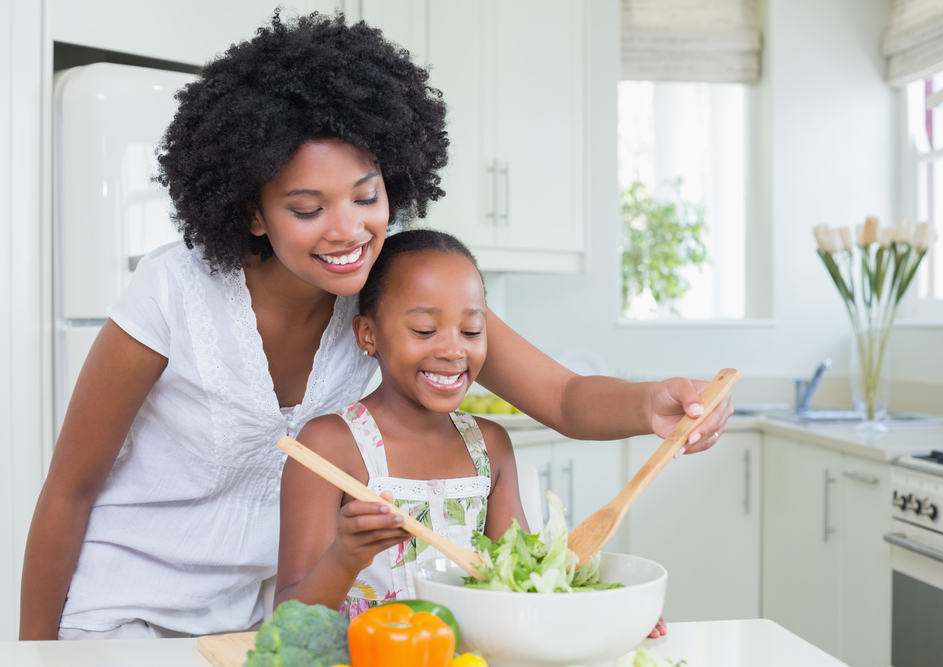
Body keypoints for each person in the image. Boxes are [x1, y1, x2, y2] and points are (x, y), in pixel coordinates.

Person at [19, 11, 730, 641]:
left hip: (270, 623)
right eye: (308, 209)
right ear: (253, 212)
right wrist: (29, 653)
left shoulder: (388, 298)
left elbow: (566, 398)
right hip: (124, 613)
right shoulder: (173, 290)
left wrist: (652, 404)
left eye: (367, 196)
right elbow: (70, 490)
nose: (349, 230)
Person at [276, 229, 526, 618]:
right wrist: (345, 557)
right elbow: (289, 619)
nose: (453, 349)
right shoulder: (330, 445)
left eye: (471, 331)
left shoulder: (490, 446)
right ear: (368, 334)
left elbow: (525, 585)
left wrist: (612, 616)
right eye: (425, 330)